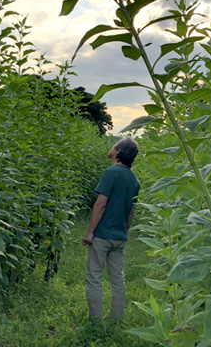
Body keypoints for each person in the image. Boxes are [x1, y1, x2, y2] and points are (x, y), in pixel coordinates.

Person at [83, 137, 140, 320]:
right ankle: (116, 319)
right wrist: (125, 231)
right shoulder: (134, 180)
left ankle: (96, 321)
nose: (111, 146)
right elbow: (131, 210)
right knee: (117, 279)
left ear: (118, 151)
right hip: (120, 236)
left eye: (115, 144)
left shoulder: (111, 173)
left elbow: (101, 203)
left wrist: (90, 231)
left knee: (94, 277)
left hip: (102, 235)